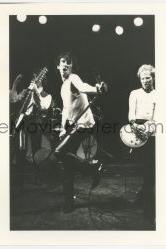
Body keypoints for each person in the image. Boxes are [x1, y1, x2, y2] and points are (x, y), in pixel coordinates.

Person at [54, 52, 106, 213]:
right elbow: (65, 109)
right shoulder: (63, 86)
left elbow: (84, 87)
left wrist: (97, 89)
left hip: (84, 124)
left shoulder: (73, 78)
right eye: (62, 62)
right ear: (58, 66)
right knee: (65, 163)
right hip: (73, 125)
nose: (65, 65)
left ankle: (93, 167)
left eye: (68, 63)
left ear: (71, 67)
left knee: (59, 152)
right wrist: (63, 128)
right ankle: (69, 202)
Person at [10, 68, 53, 184]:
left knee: (36, 151)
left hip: (36, 123)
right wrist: (15, 84)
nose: (33, 79)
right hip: (23, 122)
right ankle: (19, 179)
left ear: (42, 80)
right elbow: (12, 100)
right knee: (20, 150)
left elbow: (44, 107)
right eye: (33, 77)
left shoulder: (47, 95)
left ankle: (38, 176)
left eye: (36, 77)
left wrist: (37, 92)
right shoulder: (26, 91)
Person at [128, 64, 156, 224]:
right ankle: (143, 195)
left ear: (153, 78)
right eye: (143, 78)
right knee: (145, 170)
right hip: (137, 131)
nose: (145, 81)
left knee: (150, 172)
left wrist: (149, 131)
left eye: (148, 78)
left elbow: (157, 116)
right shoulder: (134, 93)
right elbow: (131, 114)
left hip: (152, 131)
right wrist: (135, 126)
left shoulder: (158, 94)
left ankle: (148, 209)